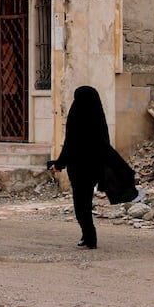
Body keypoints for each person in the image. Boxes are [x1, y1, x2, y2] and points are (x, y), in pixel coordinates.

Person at [48, 85, 110, 249]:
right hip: (93, 166)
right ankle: (88, 235)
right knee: (86, 201)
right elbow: (105, 142)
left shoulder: (76, 114)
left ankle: (89, 236)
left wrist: (59, 164)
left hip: (78, 167)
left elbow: (70, 143)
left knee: (80, 203)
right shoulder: (98, 114)